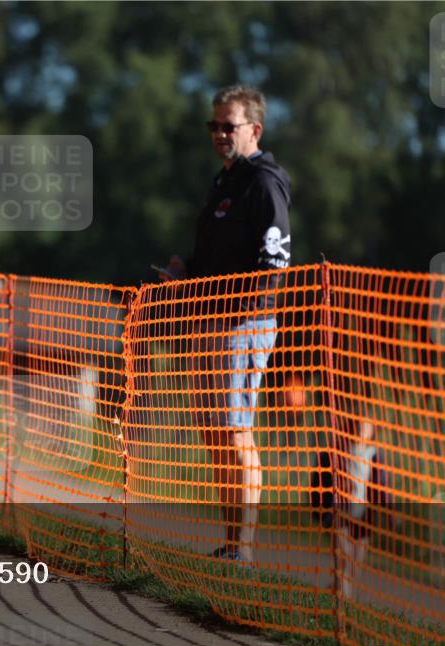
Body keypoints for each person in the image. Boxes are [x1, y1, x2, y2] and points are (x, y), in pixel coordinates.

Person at [158, 84, 291, 563]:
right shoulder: (224, 181)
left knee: (235, 431)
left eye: (227, 125)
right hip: (206, 322)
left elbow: (275, 260)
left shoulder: (263, 182)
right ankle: (232, 542)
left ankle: (246, 548)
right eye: (213, 124)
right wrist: (186, 273)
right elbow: (220, 257)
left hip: (241, 324)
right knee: (215, 433)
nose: (218, 133)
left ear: (254, 129)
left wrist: (242, 309)